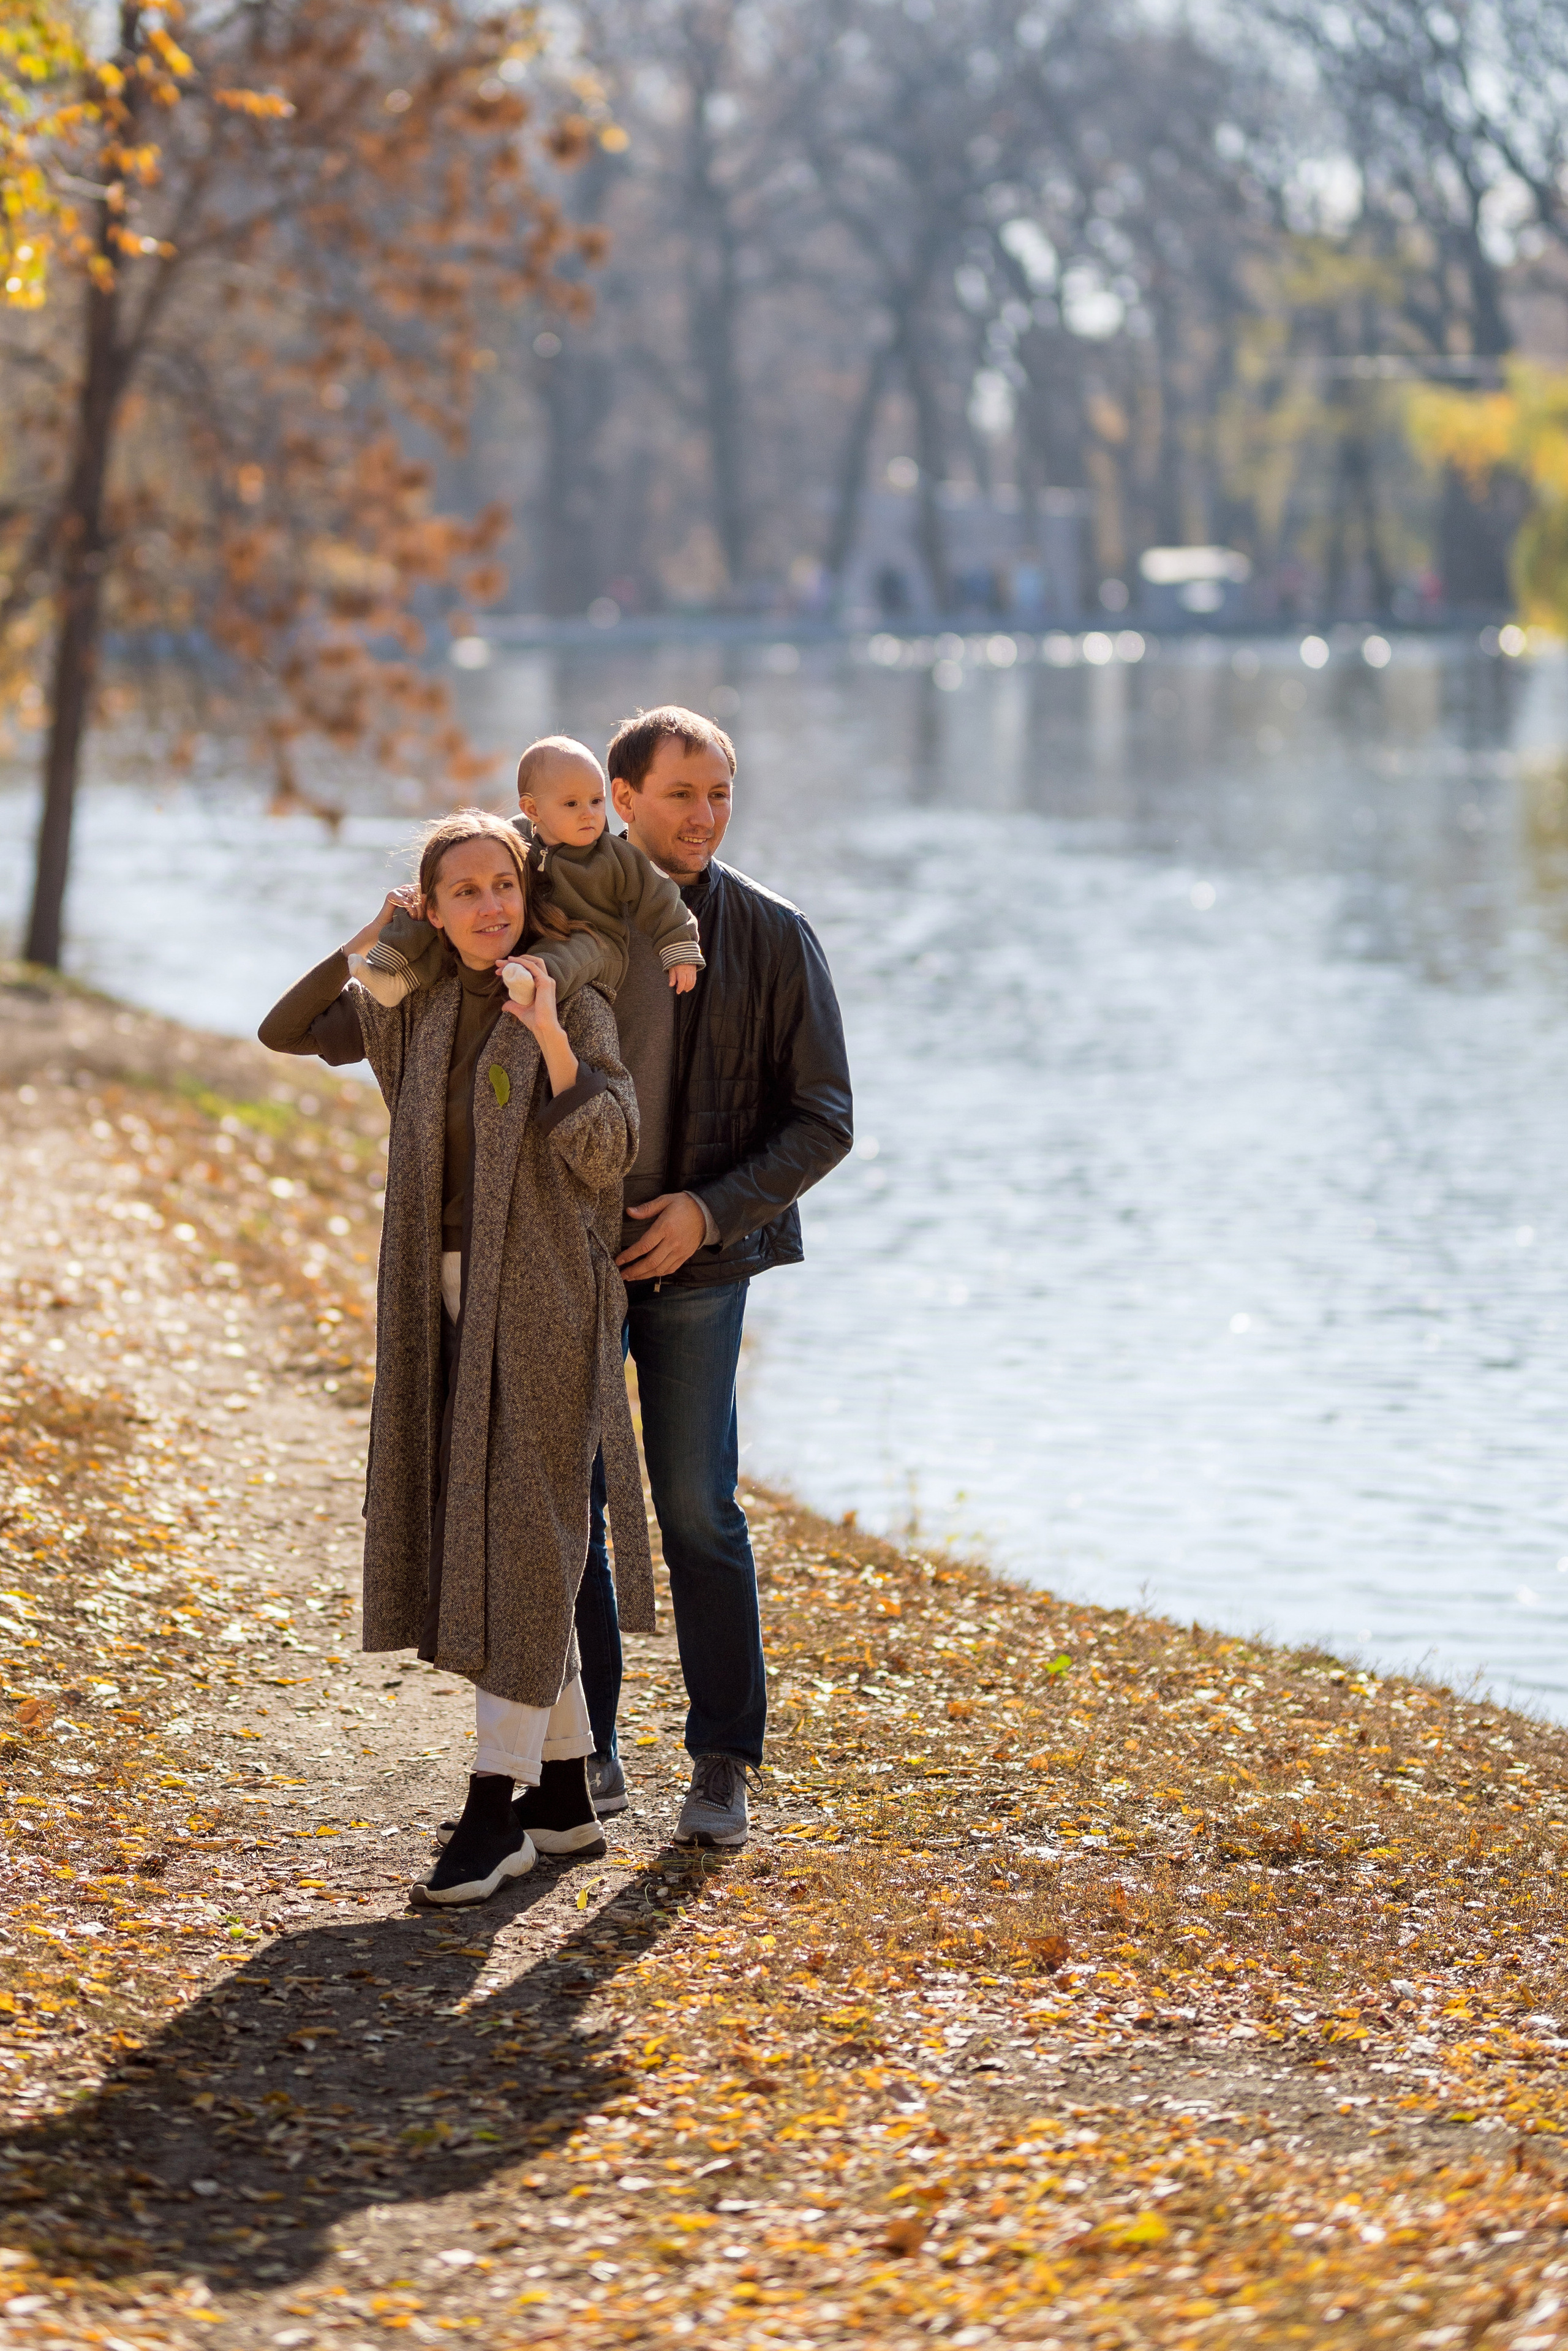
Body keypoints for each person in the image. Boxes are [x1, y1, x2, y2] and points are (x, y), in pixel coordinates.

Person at [257, 809, 654, 1906]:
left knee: (524, 1531)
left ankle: (494, 1806)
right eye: (465, 890)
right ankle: (566, 1791)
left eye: (505, 886)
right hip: (436, 1299)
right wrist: (364, 940)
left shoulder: (568, 995)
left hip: (545, 1300)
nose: (490, 906)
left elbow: (607, 1150)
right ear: (433, 907)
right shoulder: (414, 1001)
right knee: (488, 1524)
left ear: (527, 896)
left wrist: (553, 1036)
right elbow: (286, 1033)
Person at [578, 705, 853, 1849]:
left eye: (721, 793)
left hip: (704, 1263)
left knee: (697, 1504)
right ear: (622, 796)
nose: (704, 815)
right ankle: (582, 1749)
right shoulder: (557, 917)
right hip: (575, 1263)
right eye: (682, 793)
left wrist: (706, 1210)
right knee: (569, 1513)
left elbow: (824, 1118)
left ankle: (722, 1758)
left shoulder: (777, 935)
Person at [347, 736, 703, 1010]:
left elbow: (660, 895)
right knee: (442, 914)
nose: (589, 815)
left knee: (575, 951)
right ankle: (392, 973)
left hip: (596, 942)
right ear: (533, 809)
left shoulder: (615, 856)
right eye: (571, 804)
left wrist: (680, 947)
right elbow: (473, 856)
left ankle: (533, 983)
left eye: (596, 801)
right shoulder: (515, 838)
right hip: (531, 928)